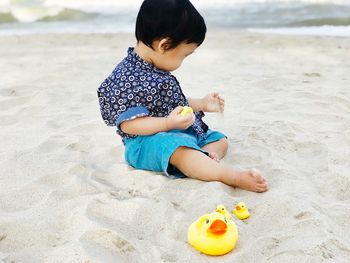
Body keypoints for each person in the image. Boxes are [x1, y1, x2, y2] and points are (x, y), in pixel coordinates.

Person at [97, 0, 268, 193]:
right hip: (145, 143)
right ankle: (231, 176)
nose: (183, 61)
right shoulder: (126, 78)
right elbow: (129, 124)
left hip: (175, 132)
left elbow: (172, 104)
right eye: (184, 55)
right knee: (175, 147)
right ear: (165, 45)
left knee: (219, 140)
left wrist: (202, 104)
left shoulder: (154, 67)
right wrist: (167, 124)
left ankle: (207, 159)